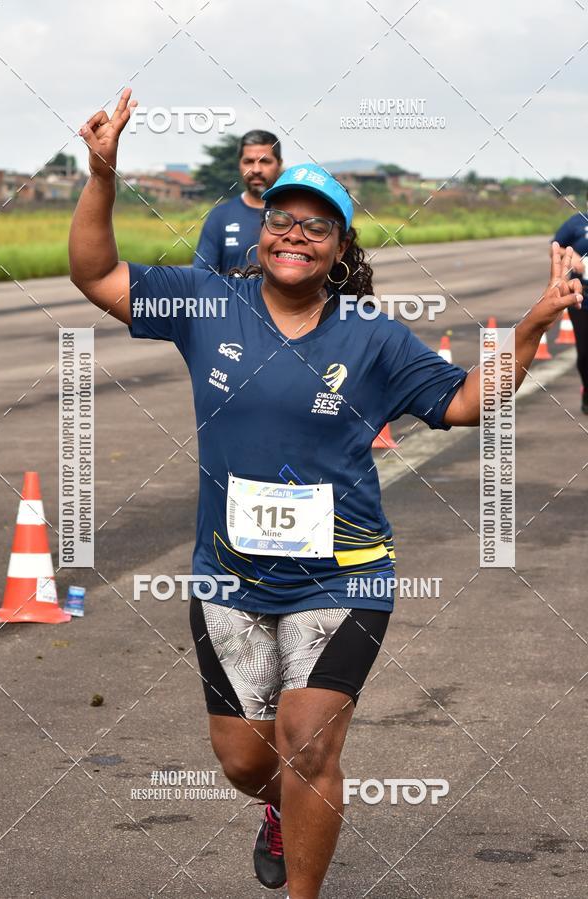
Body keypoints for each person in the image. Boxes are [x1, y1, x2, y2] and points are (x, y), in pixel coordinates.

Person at [70, 88, 584, 899]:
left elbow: (460, 402)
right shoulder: (207, 301)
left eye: (317, 224)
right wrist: (101, 173)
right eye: (283, 218)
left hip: (343, 574)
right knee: (248, 759)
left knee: (308, 744)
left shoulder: (372, 336)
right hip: (226, 575)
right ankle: (279, 808)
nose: (295, 234)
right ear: (261, 228)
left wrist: (525, 333)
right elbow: (96, 272)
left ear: (339, 246)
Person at [193, 128, 282, 273]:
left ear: (279, 164)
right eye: (248, 161)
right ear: (239, 164)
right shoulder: (220, 216)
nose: (256, 169)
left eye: (265, 161)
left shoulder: (294, 216)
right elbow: (201, 278)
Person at [552, 199, 588, 413]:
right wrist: (571, 255)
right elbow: (554, 247)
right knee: (585, 353)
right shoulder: (577, 222)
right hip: (583, 297)